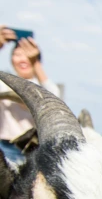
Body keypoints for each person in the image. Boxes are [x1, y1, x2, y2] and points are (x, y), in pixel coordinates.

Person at [0, 27, 60, 164]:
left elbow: (54, 98)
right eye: (17, 54)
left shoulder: (41, 85)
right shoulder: (3, 83)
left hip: (35, 152)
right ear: (11, 59)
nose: (22, 59)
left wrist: (36, 62)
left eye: (27, 54)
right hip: (5, 148)